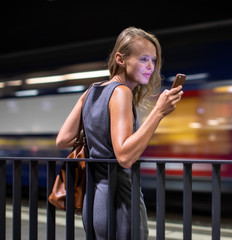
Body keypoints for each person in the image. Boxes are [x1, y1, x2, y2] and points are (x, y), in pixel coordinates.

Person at [56, 27, 183, 240]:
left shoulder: (92, 91)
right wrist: (158, 112)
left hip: (93, 198)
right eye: (143, 59)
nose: (151, 66)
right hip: (119, 198)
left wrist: (99, 133)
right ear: (120, 59)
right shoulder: (121, 92)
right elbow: (124, 156)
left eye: (153, 60)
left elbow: (63, 139)